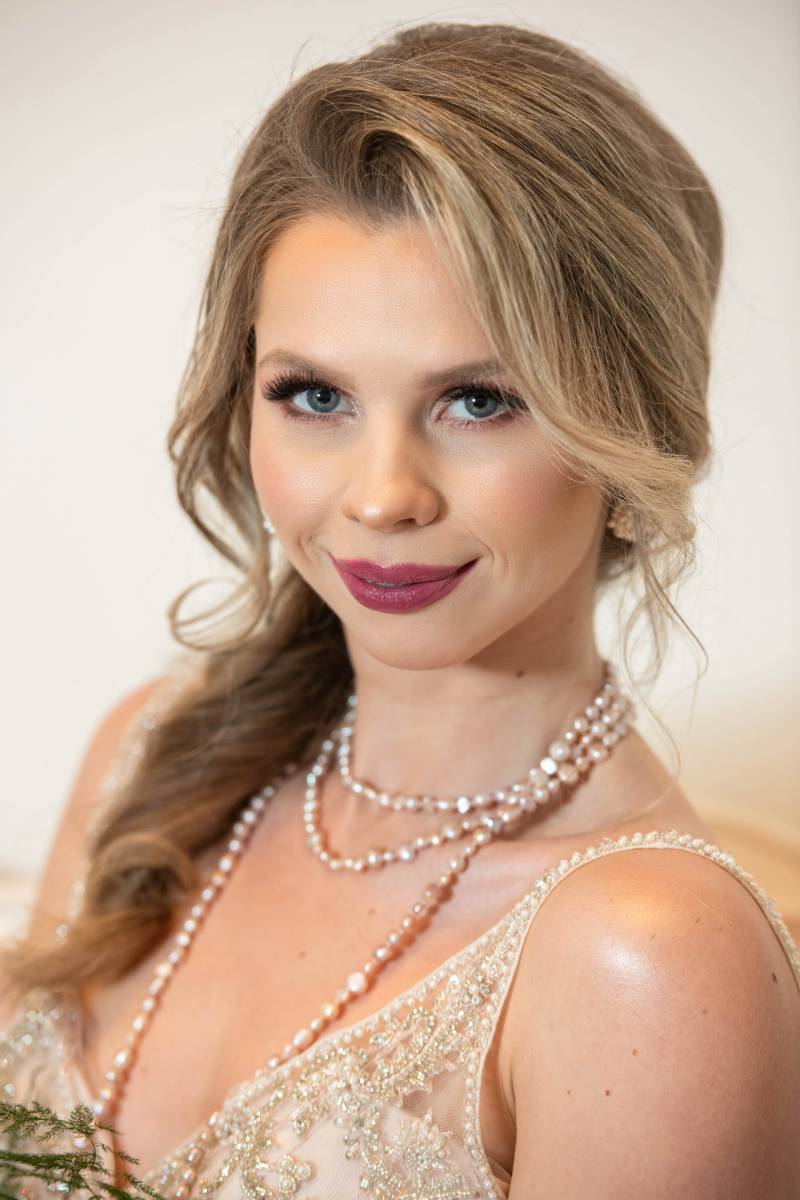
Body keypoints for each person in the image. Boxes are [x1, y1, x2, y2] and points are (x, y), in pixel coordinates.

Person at [2, 19, 799, 1200]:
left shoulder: (647, 958)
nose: (381, 496)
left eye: (477, 400)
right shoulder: (147, 764)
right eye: (313, 393)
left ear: (633, 432)